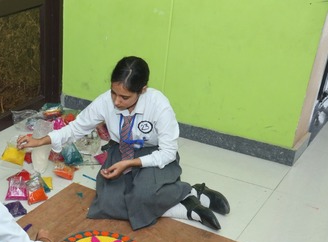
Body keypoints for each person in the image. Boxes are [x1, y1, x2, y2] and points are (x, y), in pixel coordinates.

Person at [17, 56, 230, 231]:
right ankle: (185, 206)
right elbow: (76, 127)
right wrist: (40, 141)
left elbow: (168, 152)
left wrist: (131, 164)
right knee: (108, 205)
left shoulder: (159, 105)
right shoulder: (105, 101)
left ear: (143, 90)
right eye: (113, 93)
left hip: (153, 154)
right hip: (122, 150)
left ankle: (189, 192)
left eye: (125, 97)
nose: (116, 101)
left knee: (141, 194)